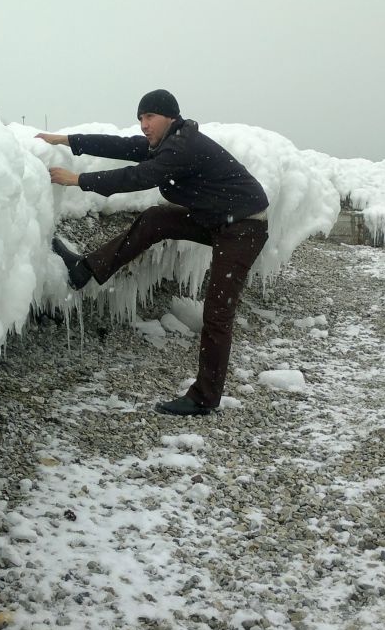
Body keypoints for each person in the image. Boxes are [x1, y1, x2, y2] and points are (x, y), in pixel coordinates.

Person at [36, 89, 269, 417]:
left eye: (150, 117)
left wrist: (78, 180)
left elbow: (140, 176)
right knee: (156, 219)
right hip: (219, 219)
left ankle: (205, 397)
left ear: (170, 116)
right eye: (140, 118)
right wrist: (66, 140)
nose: (144, 124)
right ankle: (85, 269)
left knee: (217, 313)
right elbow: (122, 146)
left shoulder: (183, 147)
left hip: (244, 228)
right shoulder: (167, 142)